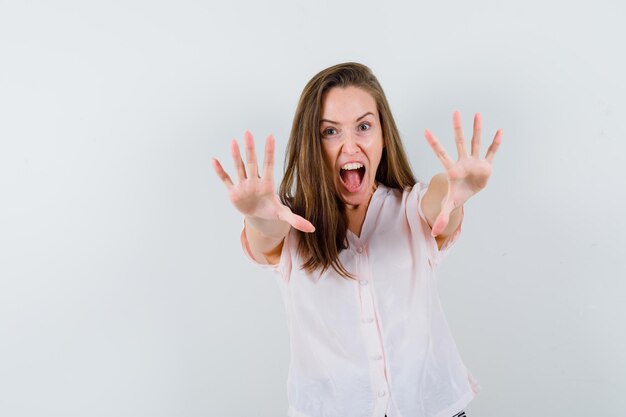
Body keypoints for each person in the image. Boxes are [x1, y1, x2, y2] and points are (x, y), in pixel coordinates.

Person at [211, 62, 502, 417]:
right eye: (330, 132)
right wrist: (255, 214)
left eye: (363, 127)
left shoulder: (411, 209)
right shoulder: (288, 224)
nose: (349, 145)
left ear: (383, 135)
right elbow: (264, 237)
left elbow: (439, 201)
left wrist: (456, 192)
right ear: (311, 143)